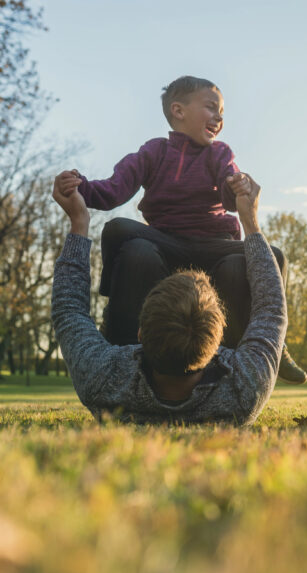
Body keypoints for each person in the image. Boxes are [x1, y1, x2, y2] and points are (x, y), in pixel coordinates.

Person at [52, 75, 306, 382]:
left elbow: (228, 196)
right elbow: (114, 190)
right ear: (179, 111)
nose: (219, 117)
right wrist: (81, 186)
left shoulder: (219, 153)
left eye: (222, 111)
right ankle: (114, 314)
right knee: (117, 229)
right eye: (212, 107)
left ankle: (277, 343)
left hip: (215, 246)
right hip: (165, 243)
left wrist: (237, 186)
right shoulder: (153, 152)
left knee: (273, 256)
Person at [51, 171, 287, 424]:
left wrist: (79, 221)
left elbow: (68, 308)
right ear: (219, 341)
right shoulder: (244, 390)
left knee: (137, 252)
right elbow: (271, 306)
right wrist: (250, 221)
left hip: (122, 355)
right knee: (236, 267)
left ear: (140, 334)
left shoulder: (103, 379)